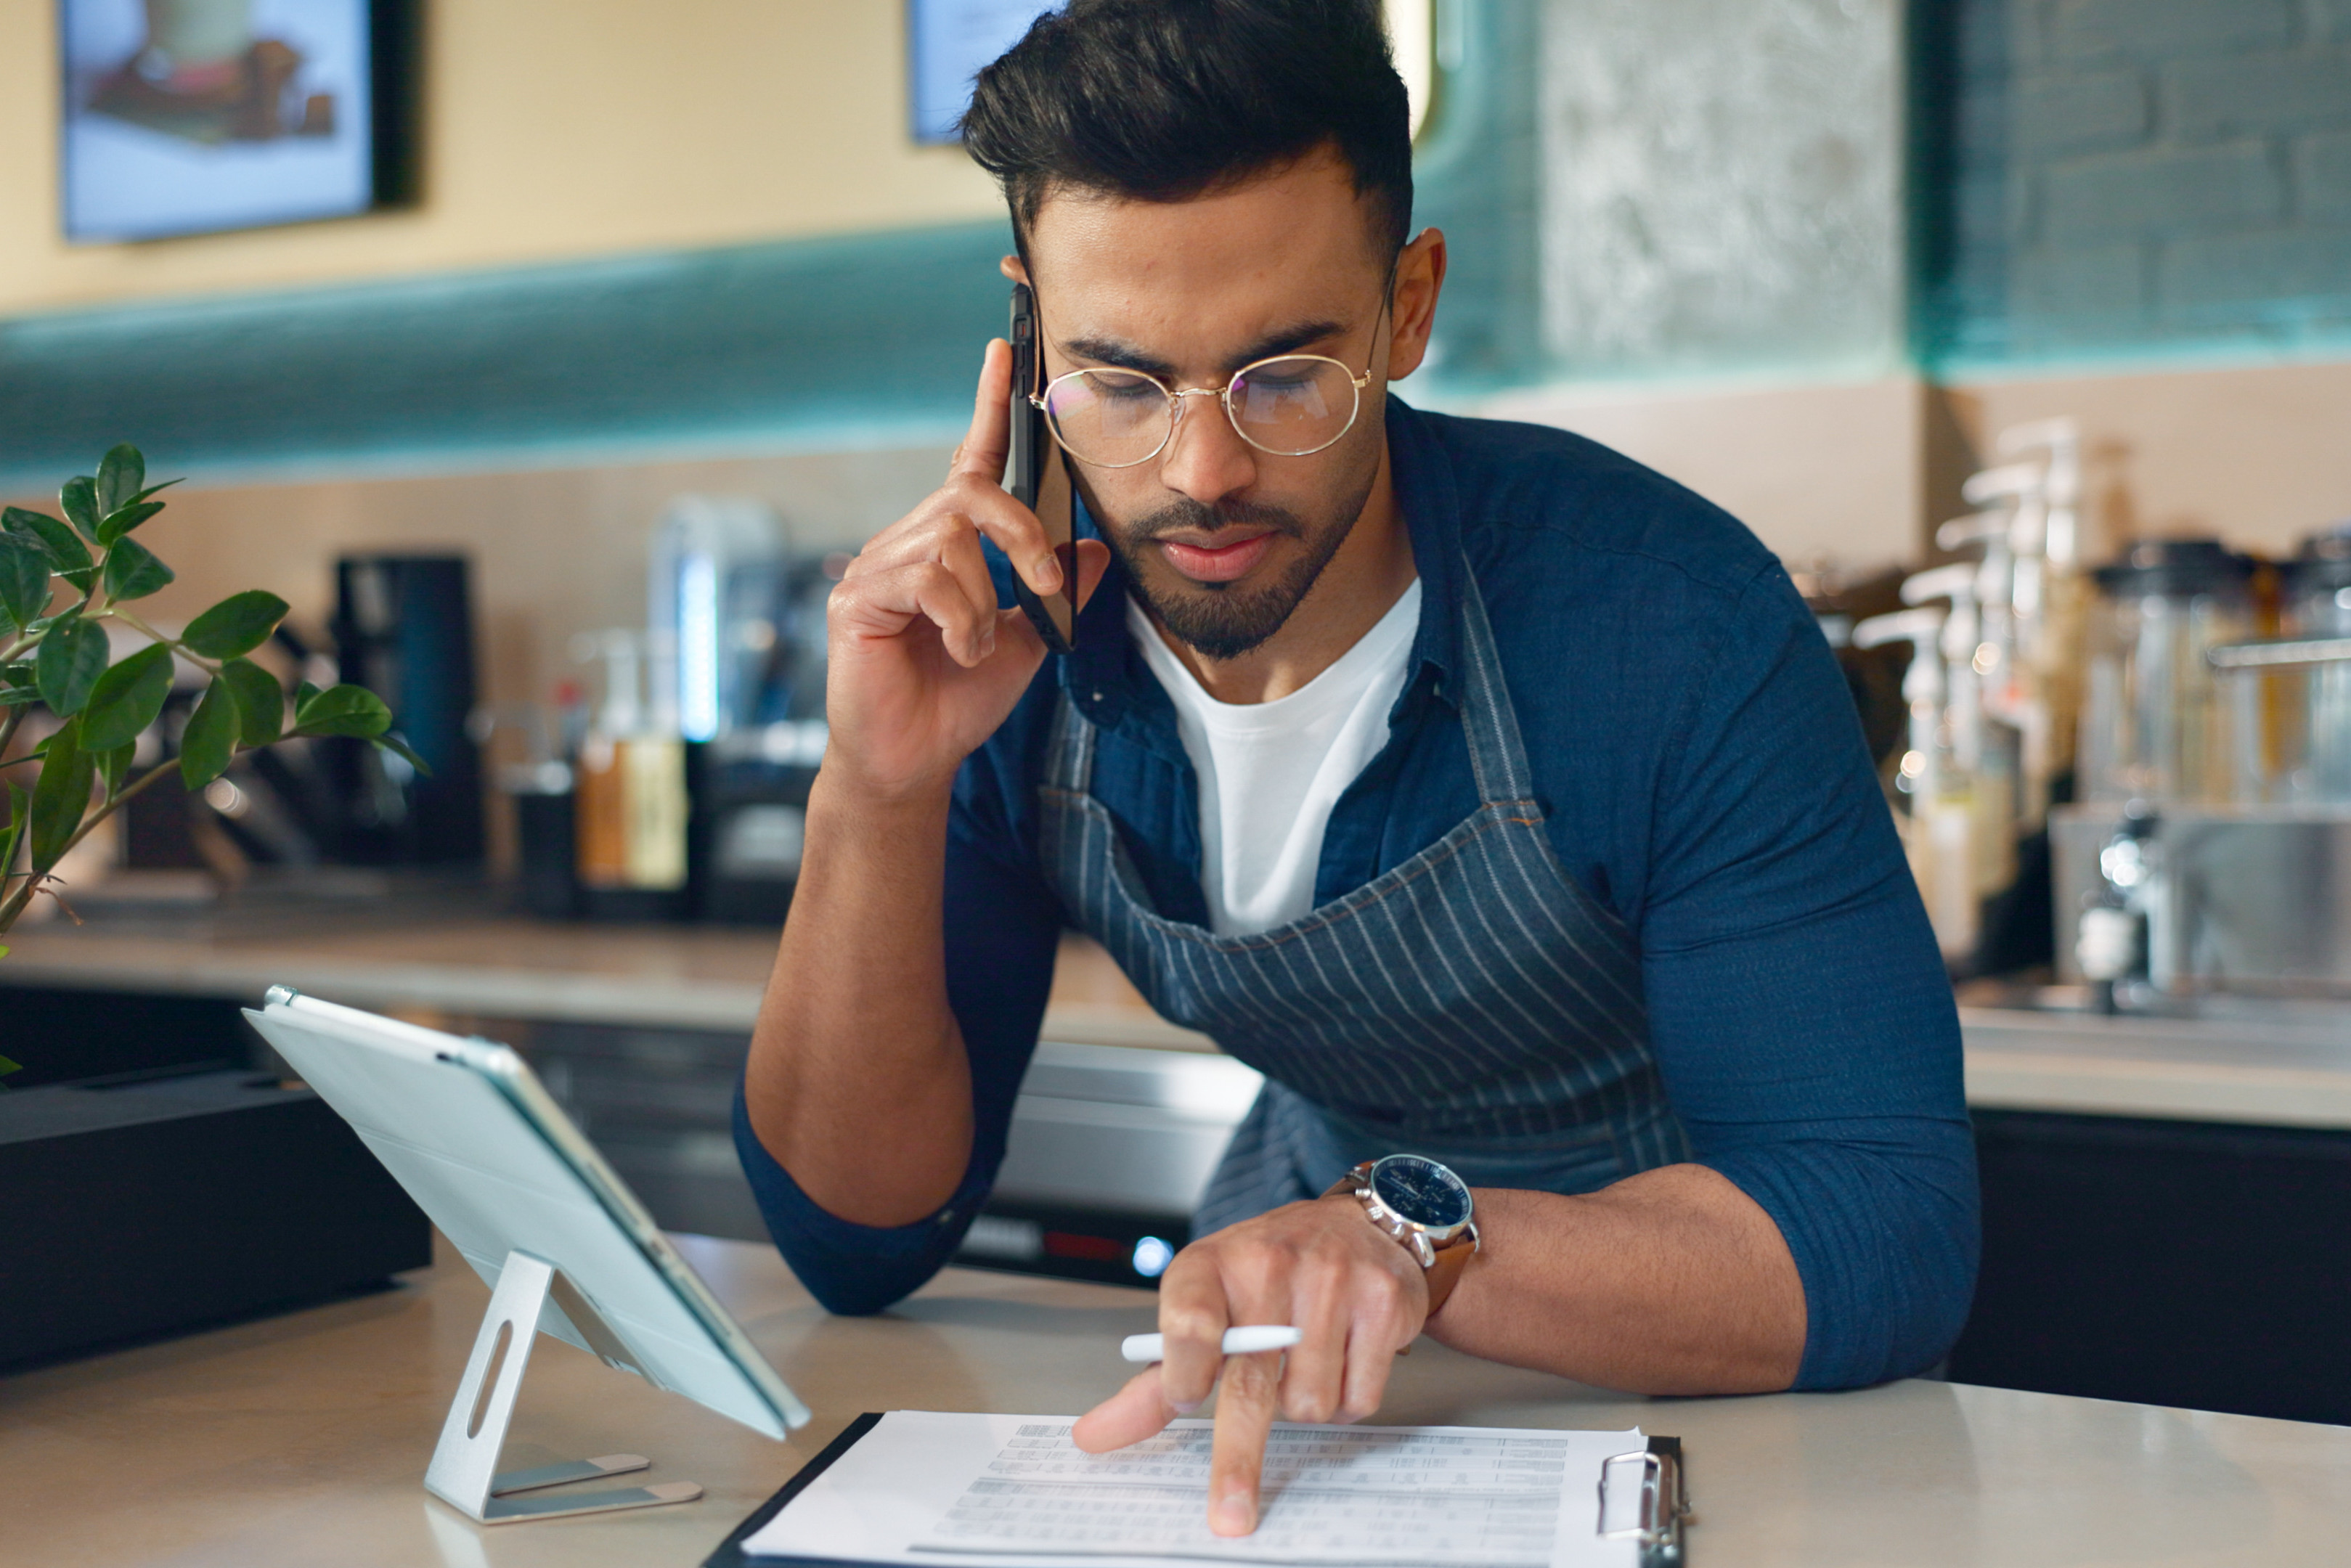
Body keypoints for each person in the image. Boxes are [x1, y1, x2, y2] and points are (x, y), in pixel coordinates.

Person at [737, 0, 1976, 1538]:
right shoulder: (994, 645)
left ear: (1405, 306)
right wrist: (877, 788)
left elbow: (1881, 1234)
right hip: (1300, 1390)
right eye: (1121, 384)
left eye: (1281, 375)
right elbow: (859, 1240)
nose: (1199, 473)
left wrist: (1413, 1240)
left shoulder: (1664, 621)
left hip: (1710, 1385)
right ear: (1031, 332)